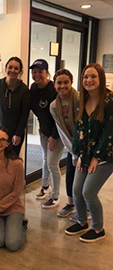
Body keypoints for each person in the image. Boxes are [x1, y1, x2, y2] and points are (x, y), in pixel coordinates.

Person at [65, 63, 113, 243]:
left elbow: (110, 132)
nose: (89, 80)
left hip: (105, 155)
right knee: (76, 190)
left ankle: (98, 228)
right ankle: (81, 221)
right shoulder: (81, 101)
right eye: (85, 77)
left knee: (89, 192)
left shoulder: (110, 102)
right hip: (84, 154)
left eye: (93, 76)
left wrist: (96, 157)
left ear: (100, 79)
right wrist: (77, 154)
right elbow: (79, 129)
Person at [0, 127, 27, 252]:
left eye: (3, 140)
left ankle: (22, 226)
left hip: (11, 207)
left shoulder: (17, 164)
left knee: (12, 244)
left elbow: (16, 193)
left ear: (8, 144)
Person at [30, 59, 64, 208]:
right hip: (44, 131)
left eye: (40, 71)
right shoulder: (33, 88)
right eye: (34, 71)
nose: (37, 74)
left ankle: (55, 196)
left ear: (47, 73)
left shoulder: (53, 90)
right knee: (45, 158)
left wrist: (54, 136)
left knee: (52, 164)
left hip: (57, 133)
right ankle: (45, 186)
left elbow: (60, 117)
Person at [0, 57, 31, 155]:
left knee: (12, 161)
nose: (12, 71)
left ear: (20, 71)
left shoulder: (24, 90)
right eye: (10, 67)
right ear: (6, 68)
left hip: (14, 133)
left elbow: (25, 114)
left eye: (16, 68)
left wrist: (18, 134)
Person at [50, 69, 78, 217]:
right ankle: (71, 205)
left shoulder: (80, 99)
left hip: (85, 146)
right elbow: (62, 131)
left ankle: (85, 209)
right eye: (59, 83)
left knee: (83, 182)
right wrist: (73, 151)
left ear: (71, 83)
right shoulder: (54, 106)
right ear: (54, 85)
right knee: (70, 176)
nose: (62, 86)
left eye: (66, 82)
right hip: (72, 146)